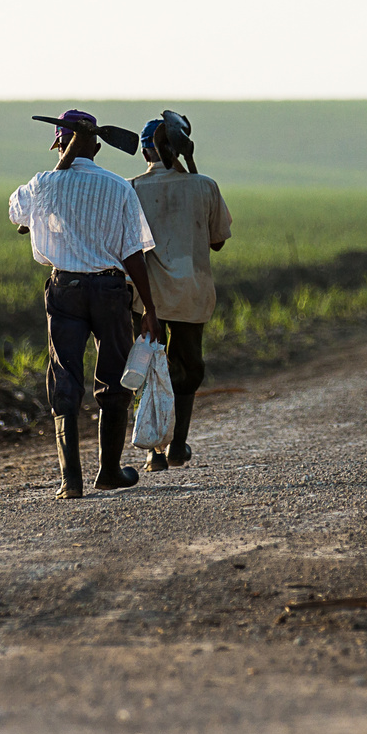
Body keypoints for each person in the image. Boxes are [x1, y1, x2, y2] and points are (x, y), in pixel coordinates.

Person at [8, 109, 160, 498]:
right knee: (113, 378)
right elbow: (133, 255)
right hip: (111, 291)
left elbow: (17, 214)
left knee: (65, 378)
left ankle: (69, 480)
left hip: (66, 290)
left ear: (59, 142)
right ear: (97, 145)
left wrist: (59, 166)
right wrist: (151, 310)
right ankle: (108, 471)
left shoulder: (43, 184)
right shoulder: (118, 187)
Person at [129, 113, 232, 471]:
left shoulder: (132, 189)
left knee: (148, 367)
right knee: (188, 368)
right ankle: (178, 445)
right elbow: (217, 241)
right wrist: (192, 168)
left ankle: (153, 450)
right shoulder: (205, 186)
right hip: (191, 292)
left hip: (146, 298)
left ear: (145, 151)